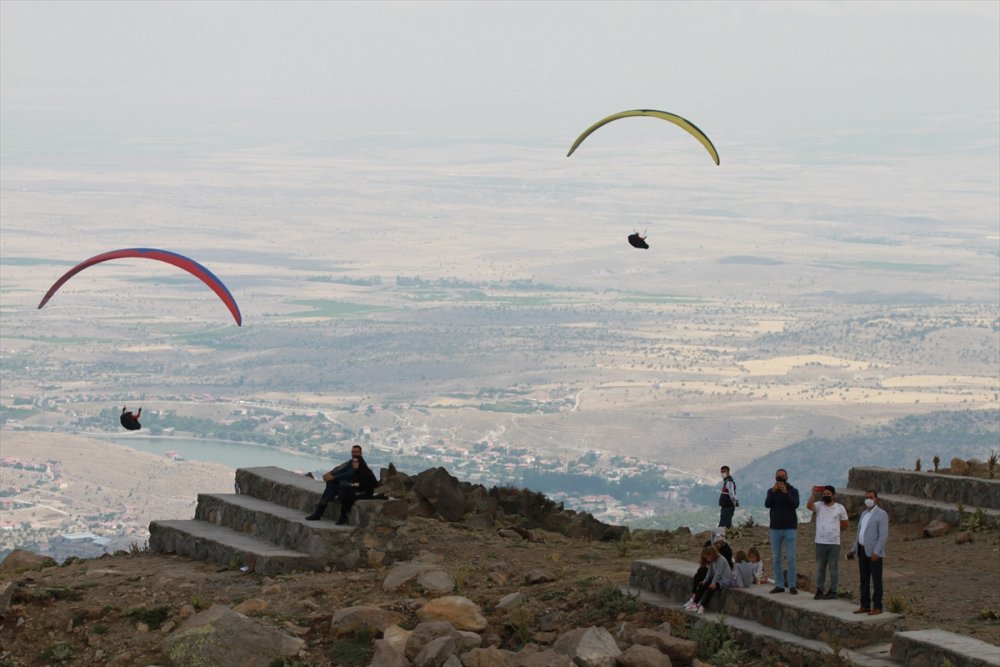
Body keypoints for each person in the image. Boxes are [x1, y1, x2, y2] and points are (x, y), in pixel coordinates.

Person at [847, 489, 889, 615]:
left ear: (876, 499)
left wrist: (877, 551)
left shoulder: (881, 514)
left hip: (874, 552)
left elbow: (883, 535)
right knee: (864, 580)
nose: (868, 500)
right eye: (867, 497)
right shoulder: (864, 514)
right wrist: (853, 549)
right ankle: (864, 605)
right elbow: (860, 533)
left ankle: (877, 606)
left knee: (876, 580)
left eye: (871, 497)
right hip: (862, 550)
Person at [305, 445, 370, 522]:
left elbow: (349, 473)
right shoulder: (351, 462)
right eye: (352, 452)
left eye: (356, 452)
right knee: (331, 484)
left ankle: (319, 511)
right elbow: (341, 469)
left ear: (360, 453)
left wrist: (333, 477)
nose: (354, 453)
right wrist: (330, 474)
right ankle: (325, 503)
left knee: (332, 485)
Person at [807, 484, 849, 600]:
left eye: (828, 494)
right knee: (820, 567)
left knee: (833, 568)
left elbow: (845, 523)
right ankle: (819, 590)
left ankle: (833, 591)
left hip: (834, 543)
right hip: (820, 542)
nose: (826, 496)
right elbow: (809, 506)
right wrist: (813, 495)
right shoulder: (819, 505)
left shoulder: (839, 508)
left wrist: (834, 530)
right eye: (824, 494)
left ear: (833, 495)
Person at [765, 467, 800, 594]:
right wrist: (773, 491)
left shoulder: (793, 491)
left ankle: (791, 584)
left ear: (787, 477)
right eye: (778, 476)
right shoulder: (771, 491)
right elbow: (767, 504)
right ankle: (779, 584)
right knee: (776, 558)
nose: (780, 479)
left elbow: (795, 504)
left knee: (791, 557)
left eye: (782, 476)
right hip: (775, 528)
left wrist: (786, 493)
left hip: (790, 527)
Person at [686, 545, 735, 615]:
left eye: (708, 557)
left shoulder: (721, 560)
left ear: (712, 555)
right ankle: (695, 603)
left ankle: (703, 606)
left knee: (711, 588)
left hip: (724, 580)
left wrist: (713, 583)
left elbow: (718, 573)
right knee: (702, 585)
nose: (707, 560)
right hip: (717, 578)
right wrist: (705, 580)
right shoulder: (712, 560)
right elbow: (710, 571)